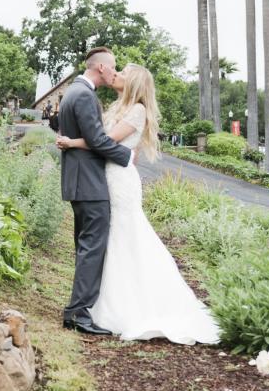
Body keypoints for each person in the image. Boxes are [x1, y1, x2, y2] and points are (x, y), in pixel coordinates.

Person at [56, 63, 220, 345]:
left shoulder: (138, 109)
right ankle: (99, 301)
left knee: (125, 237)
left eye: (122, 74)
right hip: (105, 176)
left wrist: (72, 142)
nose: (115, 74)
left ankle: (132, 304)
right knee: (110, 241)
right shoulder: (119, 106)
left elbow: (103, 141)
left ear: (133, 83)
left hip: (120, 180)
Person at [56, 47, 133, 335]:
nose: (115, 73)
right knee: (92, 248)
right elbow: (98, 140)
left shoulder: (73, 92)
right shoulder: (85, 95)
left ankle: (79, 308)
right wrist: (127, 156)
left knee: (85, 245)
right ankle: (78, 313)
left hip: (79, 181)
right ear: (100, 68)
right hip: (89, 183)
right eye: (113, 68)